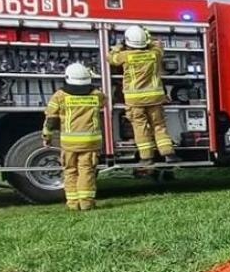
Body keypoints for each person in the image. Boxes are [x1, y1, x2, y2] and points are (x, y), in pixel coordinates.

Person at [108, 24, 177, 168]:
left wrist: (119, 46)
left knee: (140, 127)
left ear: (128, 41)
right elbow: (158, 44)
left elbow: (111, 58)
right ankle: (168, 153)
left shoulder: (125, 56)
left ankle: (146, 158)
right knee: (159, 126)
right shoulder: (155, 54)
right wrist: (147, 37)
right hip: (155, 98)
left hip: (135, 100)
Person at [42, 62, 105, 210]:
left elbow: (50, 119)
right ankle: (86, 202)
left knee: (70, 171)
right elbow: (105, 101)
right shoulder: (96, 95)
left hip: (69, 143)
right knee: (86, 170)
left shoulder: (59, 96)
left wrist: (47, 137)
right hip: (91, 142)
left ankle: (72, 203)